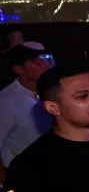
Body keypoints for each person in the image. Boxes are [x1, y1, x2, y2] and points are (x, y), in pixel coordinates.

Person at [0, 45, 53, 179]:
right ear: (19, 69)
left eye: (43, 58)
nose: (44, 63)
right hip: (23, 178)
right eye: (35, 62)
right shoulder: (7, 102)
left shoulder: (50, 91)